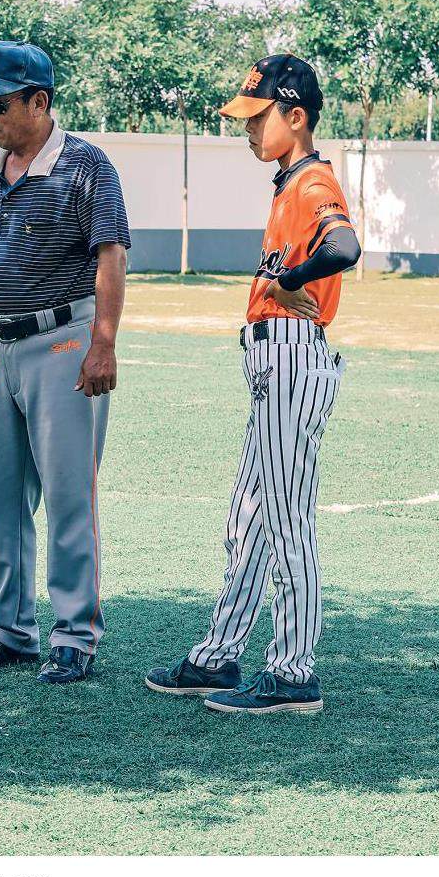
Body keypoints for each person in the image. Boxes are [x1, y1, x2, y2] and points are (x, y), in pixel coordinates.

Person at [146, 54, 360, 713]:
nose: (245, 128)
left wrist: (290, 281)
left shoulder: (312, 179)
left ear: (294, 117)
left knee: (286, 519)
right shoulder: (288, 181)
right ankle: (217, 656)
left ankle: (293, 672)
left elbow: (344, 247)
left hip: (292, 354)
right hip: (274, 360)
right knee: (249, 518)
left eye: (256, 117)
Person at [0, 41, 131, 685]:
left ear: (39, 102)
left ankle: (75, 635)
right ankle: (11, 631)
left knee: (67, 494)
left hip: (62, 346)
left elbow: (111, 255)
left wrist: (102, 342)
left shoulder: (86, 165)